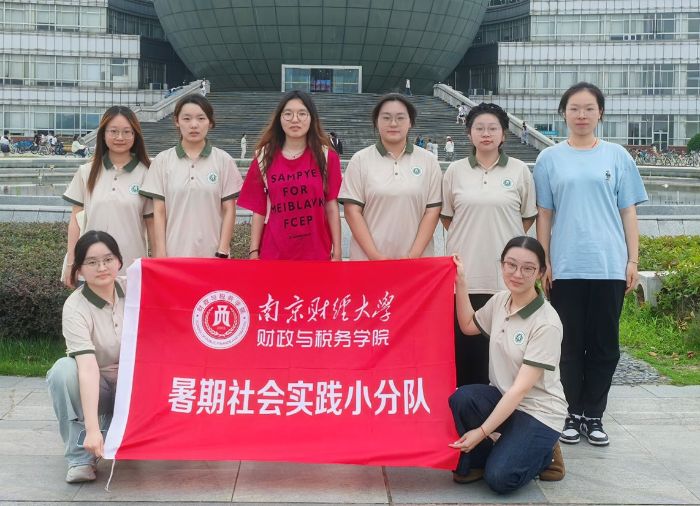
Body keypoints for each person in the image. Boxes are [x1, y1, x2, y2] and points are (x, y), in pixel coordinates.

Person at [534, 82, 648, 446]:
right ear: (563, 113)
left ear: (600, 113)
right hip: (566, 266)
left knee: (605, 345)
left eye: (589, 108)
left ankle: (594, 415)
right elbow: (544, 214)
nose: (581, 115)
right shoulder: (549, 159)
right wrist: (544, 260)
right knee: (567, 344)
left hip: (608, 265)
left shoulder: (617, 156)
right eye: (574, 108)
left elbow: (628, 212)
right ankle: (570, 412)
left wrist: (632, 259)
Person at [449, 236, 567, 493]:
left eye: (528, 268)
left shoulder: (546, 323)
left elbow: (520, 390)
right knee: (462, 398)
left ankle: (546, 452)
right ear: (502, 265)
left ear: (541, 272)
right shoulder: (500, 301)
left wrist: (481, 432)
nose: (517, 274)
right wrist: (461, 282)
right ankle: (480, 460)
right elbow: (468, 325)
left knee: (501, 478)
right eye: (511, 265)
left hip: (538, 410)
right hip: (504, 398)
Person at [442, 102, 537, 387]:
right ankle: (466, 406)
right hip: (464, 276)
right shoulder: (455, 171)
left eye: (493, 128)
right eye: (479, 128)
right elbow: (448, 218)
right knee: (465, 348)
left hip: (506, 278)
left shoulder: (519, 171)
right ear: (469, 133)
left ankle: (501, 410)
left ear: (503, 134)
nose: (486, 134)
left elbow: (526, 218)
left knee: (502, 351)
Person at [47, 231, 125, 483]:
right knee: (63, 371)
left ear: (119, 261)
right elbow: (88, 368)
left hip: (135, 386)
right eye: (92, 262)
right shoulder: (75, 307)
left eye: (108, 259)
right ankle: (80, 457)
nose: (102, 267)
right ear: (79, 269)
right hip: (99, 386)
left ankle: (124, 433)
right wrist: (92, 430)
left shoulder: (136, 288)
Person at [237, 90, 342, 260]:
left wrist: (337, 251)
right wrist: (253, 252)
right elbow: (259, 210)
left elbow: (331, 206)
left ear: (312, 118)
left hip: (316, 254)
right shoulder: (263, 157)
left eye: (302, 113)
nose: (295, 119)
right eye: (288, 114)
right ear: (279, 119)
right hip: (274, 254)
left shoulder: (327, 157)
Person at [339, 93, 442, 260]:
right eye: (386, 118)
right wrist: (375, 256)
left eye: (400, 118)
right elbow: (352, 212)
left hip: (416, 263)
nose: (393, 123)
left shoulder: (428, 161)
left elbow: (432, 211)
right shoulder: (360, 160)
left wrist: (413, 256)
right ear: (376, 121)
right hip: (368, 262)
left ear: (410, 122)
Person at [140, 94, 243, 258]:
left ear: (210, 122)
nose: (194, 125)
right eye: (186, 119)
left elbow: (229, 209)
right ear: (177, 121)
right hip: (174, 256)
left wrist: (222, 251)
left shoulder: (224, 160)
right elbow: (159, 212)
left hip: (213, 256)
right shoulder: (162, 161)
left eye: (201, 118)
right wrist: (161, 254)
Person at [62, 106, 153, 285]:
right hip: (90, 269)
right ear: (103, 134)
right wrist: (71, 263)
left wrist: (156, 265)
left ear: (135, 135)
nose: (120, 137)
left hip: (131, 270)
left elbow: (152, 224)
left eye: (127, 132)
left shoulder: (147, 173)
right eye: (113, 131)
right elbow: (75, 222)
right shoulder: (86, 172)